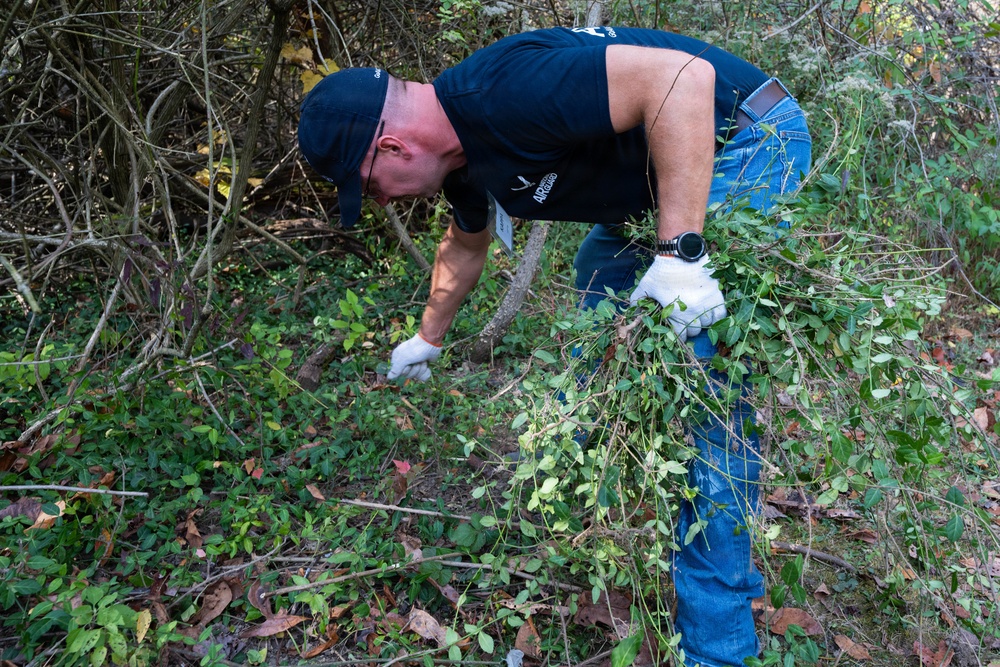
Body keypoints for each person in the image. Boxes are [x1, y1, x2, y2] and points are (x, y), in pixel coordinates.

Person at [298, 25, 811, 667]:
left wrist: (680, 255)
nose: (380, 200)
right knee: (601, 271)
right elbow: (464, 244)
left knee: (707, 384)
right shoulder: (463, 155)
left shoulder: (504, 94)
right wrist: (427, 338)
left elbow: (682, 79)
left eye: (370, 185)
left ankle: (718, 650)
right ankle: (597, 455)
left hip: (748, 138)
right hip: (657, 176)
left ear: (393, 146)